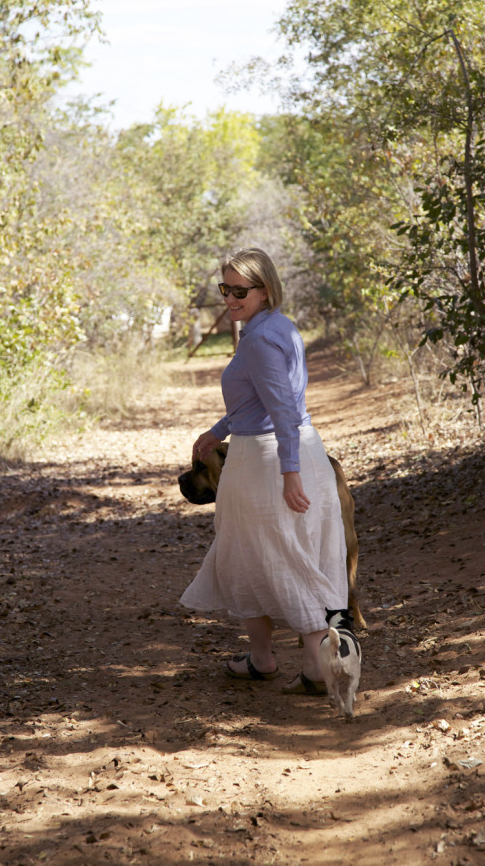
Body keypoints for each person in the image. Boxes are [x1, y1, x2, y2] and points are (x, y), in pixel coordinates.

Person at [180, 247, 348, 695]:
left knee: (271, 558)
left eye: (240, 290)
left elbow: (281, 410)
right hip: (295, 450)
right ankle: (269, 659)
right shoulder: (278, 327)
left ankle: (315, 665)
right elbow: (255, 401)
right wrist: (217, 432)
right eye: (225, 289)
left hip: (268, 460)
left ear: (265, 289)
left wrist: (289, 473)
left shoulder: (256, 340)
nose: (230, 298)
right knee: (280, 555)